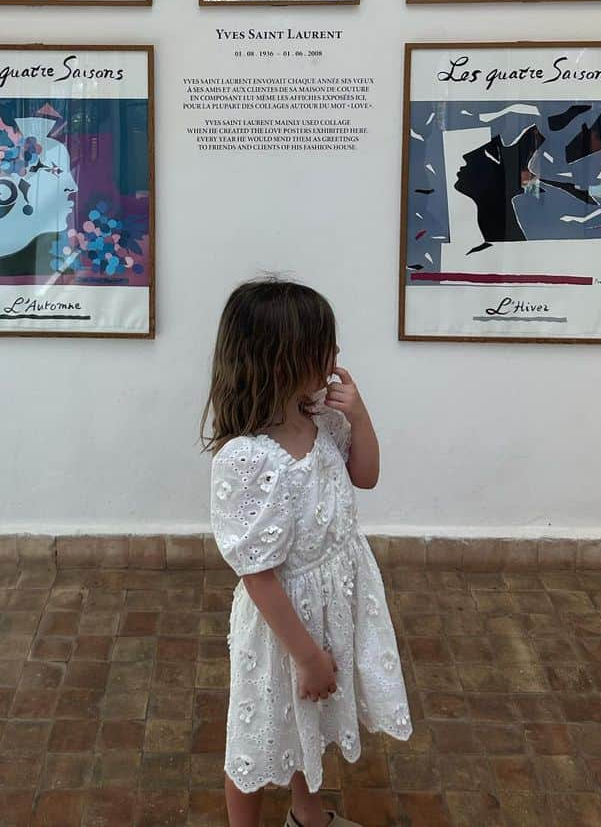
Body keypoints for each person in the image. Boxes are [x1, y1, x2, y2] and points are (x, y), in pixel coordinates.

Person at [202, 278, 411, 827]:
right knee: (258, 732)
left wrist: (360, 416)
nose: (336, 357)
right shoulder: (247, 459)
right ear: (284, 359)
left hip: (332, 601)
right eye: (326, 346)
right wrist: (308, 655)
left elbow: (365, 476)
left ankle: (307, 814)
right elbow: (257, 574)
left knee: (309, 724)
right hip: (283, 628)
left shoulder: (325, 420)